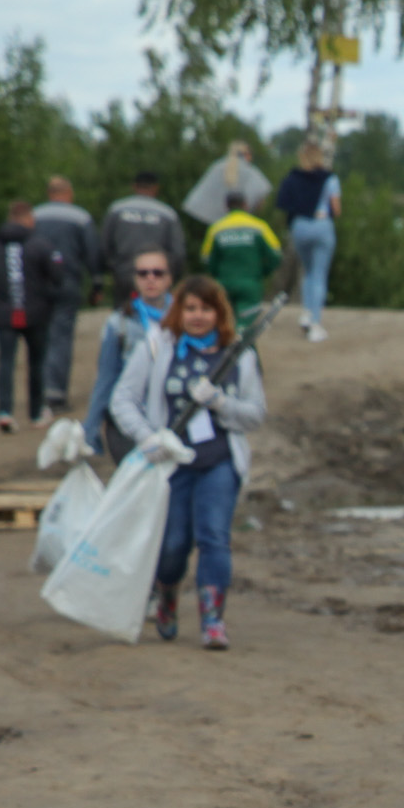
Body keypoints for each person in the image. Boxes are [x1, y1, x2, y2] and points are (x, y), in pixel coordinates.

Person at [110, 275, 267, 650]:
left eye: (206, 309)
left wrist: (221, 403)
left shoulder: (239, 354)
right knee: (173, 545)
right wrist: (147, 436)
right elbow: (123, 399)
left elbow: (256, 414)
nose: (198, 316)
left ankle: (213, 621)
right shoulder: (156, 347)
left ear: (219, 313)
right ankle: (166, 596)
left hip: (219, 461)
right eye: (191, 308)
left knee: (214, 536)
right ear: (179, 310)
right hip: (170, 463)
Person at [0, 200, 71, 433]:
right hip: (36, 313)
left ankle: (5, 412)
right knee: (36, 362)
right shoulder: (40, 244)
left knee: (6, 362)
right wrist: (48, 295)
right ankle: (36, 413)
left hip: (4, 313)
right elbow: (58, 276)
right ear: (29, 219)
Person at [83, 248, 174, 462]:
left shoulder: (187, 319)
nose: (150, 278)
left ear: (169, 278)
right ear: (135, 279)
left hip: (171, 415)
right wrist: (90, 429)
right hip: (129, 418)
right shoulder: (119, 323)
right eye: (143, 273)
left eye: (157, 273)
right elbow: (106, 378)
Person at [31, 177, 99, 417]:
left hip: (36, 286)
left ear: (49, 193)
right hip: (67, 283)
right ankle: (56, 393)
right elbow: (92, 253)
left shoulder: (34, 216)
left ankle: (38, 394)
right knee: (61, 337)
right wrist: (97, 282)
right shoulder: (80, 217)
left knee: (40, 338)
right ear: (68, 193)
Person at [274, 140, 342, 342]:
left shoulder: (292, 178)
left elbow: (284, 204)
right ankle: (315, 323)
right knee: (319, 274)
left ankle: (306, 313)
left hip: (300, 227)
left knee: (307, 270)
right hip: (322, 227)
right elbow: (336, 209)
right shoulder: (330, 179)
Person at [100, 172, 187, 306]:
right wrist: (171, 276)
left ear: (134, 186)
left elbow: (104, 245)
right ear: (156, 188)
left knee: (123, 316)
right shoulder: (167, 214)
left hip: (124, 273)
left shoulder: (117, 209)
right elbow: (178, 252)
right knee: (156, 314)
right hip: (157, 276)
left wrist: (112, 268)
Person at [204, 193, 284, 322]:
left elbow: (207, 259)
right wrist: (262, 272)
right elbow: (276, 255)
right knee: (246, 326)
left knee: (225, 323)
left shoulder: (216, 228)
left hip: (224, 283)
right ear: (245, 205)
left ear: (226, 207)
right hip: (251, 283)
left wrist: (217, 276)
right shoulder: (259, 227)